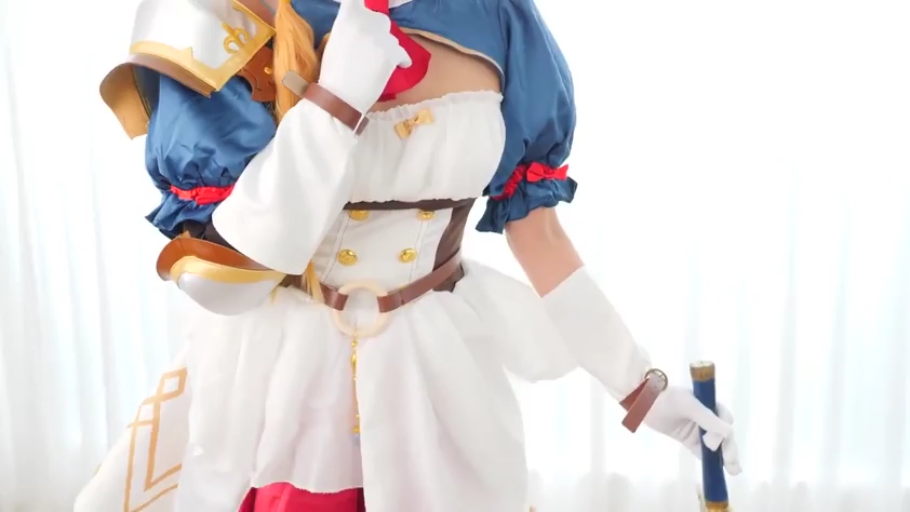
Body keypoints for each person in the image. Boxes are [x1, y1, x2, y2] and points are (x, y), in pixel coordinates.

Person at [77, 0, 741, 510]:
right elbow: (226, 283)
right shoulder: (230, 13)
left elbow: (538, 234)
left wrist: (642, 390)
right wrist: (335, 103)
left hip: (440, 383)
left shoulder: (495, 17)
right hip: (289, 395)